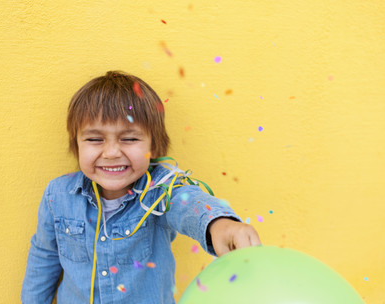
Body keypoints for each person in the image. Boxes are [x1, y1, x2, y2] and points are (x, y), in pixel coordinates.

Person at [21, 71, 261, 304]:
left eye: (130, 139)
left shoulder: (161, 190)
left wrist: (219, 225)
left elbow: (188, 204)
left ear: (153, 146)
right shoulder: (57, 195)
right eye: (95, 139)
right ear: (77, 145)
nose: (112, 153)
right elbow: (44, 258)